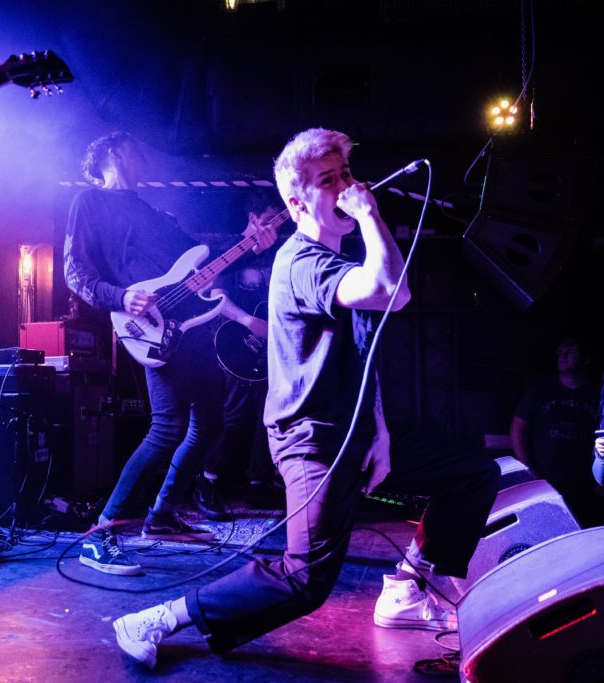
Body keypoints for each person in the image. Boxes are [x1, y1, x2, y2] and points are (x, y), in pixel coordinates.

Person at [110, 127, 499, 668]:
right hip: (311, 441)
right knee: (304, 579)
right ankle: (157, 618)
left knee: (472, 473)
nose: (345, 186)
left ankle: (409, 589)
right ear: (295, 202)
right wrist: (368, 213)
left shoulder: (337, 264)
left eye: (347, 174)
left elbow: (365, 362)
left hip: (356, 430)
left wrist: (381, 432)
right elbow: (394, 291)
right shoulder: (303, 261)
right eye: (328, 180)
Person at [64, 131, 274, 576]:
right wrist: (121, 298)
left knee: (212, 422)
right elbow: (75, 271)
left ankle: (161, 515)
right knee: (167, 427)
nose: (144, 155)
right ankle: (101, 533)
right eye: (137, 148)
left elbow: (200, 264)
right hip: (148, 327)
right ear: (113, 152)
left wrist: (248, 242)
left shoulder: (152, 210)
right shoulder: (89, 203)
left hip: (188, 327)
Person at [194, 191, 285, 519]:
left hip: (268, 346)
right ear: (253, 218)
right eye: (271, 219)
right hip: (234, 344)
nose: (276, 226)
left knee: (268, 417)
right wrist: (249, 321)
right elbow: (216, 296)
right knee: (234, 417)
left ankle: (259, 485)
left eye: (280, 220)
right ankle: (207, 483)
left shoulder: (277, 254)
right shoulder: (231, 251)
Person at [511, 337, 601, 526]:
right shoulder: (541, 390)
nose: (563, 356)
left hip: (586, 486)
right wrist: (528, 472)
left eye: (571, 351)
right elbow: (518, 428)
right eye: (560, 352)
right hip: (548, 483)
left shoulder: (597, 394)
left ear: (586, 359)